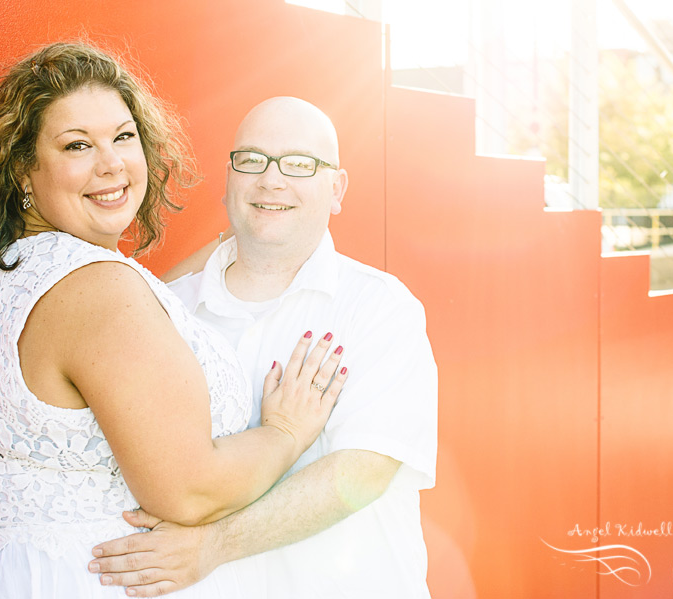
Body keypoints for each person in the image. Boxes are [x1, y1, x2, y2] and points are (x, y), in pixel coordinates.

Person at [0, 44, 346, 599]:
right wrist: (284, 433)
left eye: (123, 137)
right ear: (23, 171)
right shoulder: (97, 289)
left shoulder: (13, 273)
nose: (112, 164)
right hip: (98, 579)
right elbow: (190, 492)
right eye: (77, 145)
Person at [83, 97, 439, 597]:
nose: (272, 180)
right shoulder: (167, 312)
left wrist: (213, 546)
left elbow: (362, 472)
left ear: (336, 188)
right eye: (252, 160)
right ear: (228, 181)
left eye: (300, 164)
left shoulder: (380, 308)